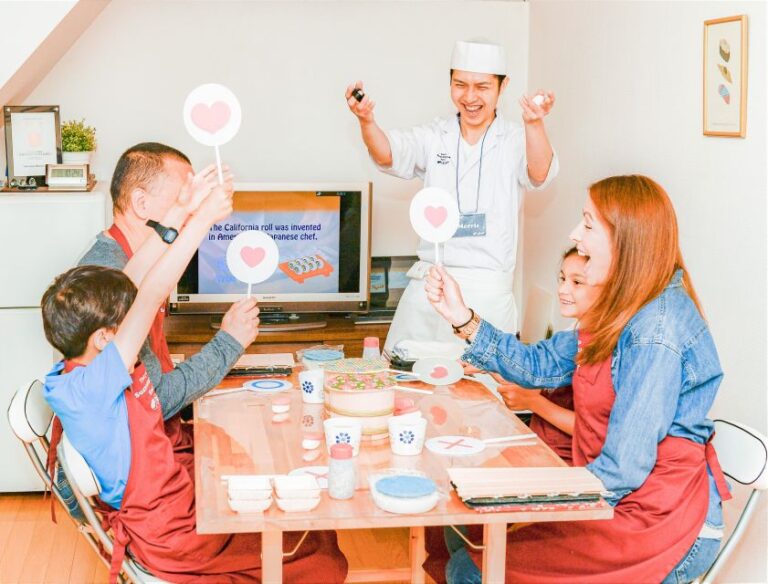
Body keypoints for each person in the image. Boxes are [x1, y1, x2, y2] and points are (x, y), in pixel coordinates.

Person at [424, 175, 731, 583]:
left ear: (625, 240)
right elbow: (538, 365)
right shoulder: (623, 308)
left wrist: (534, 498)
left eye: (587, 224)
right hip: (621, 501)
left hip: (658, 525)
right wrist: (461, 316)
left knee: (469, 567)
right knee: (464, 528)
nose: (575, 233)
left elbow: (623, 470)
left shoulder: (655, 332)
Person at [41, 177, 347, 583]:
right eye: (127, 323)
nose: (138, 324)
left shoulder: (76, 369)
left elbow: (132, 282)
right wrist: (202, 221)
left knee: (304, 525)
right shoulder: (95, 385)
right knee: (312, 548)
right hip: (172, 532)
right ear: (105, 337)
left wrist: (178, 212)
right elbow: (148, 294)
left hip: (173, 504)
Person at [345, 39, 559, 352]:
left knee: (481, 390)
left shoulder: (514, 138)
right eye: (460, 84)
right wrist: (366, 121)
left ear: (503, 87)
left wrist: (534, 123)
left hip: (488, 293)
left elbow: (539, 174)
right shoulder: (435, 135)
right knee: (409, 382)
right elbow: (388, 154)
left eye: (482, 86)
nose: (470, 97)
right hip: (430, 286)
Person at [78, 142, 259, 470]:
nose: (190, 208)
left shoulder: (126, 260)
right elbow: (156, 400)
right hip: (140, 461)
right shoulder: (107, 273)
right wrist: (229, 342)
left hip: (151, 439)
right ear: (140, 202)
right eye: (181, 198)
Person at [492, 247, 600, 464]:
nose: (562, 289)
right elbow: (535, 375)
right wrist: (490, 364)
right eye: (562, 279)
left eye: (577, 282)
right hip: (538, 445)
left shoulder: (603, 345)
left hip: (564, 462)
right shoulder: (571, 334)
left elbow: (595, 430)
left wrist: (532, 402)